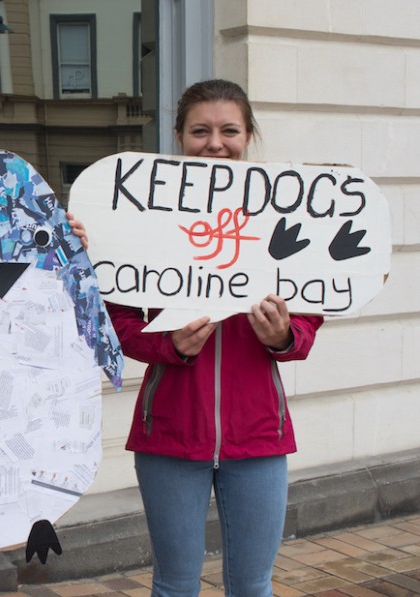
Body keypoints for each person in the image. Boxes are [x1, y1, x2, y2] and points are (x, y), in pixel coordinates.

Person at [105, 79, 325, 597]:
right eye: (200, 130)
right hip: (170, 433)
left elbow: (310, 315)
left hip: (259, 437)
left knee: (252, 587)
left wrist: (284, 336)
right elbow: (117, 322)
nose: (215, 142)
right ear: (179, 136)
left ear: (248, 135)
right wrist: (170, 345)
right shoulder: (143, 220)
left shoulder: (281, 217)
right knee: (175, 585)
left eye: (229, 130)